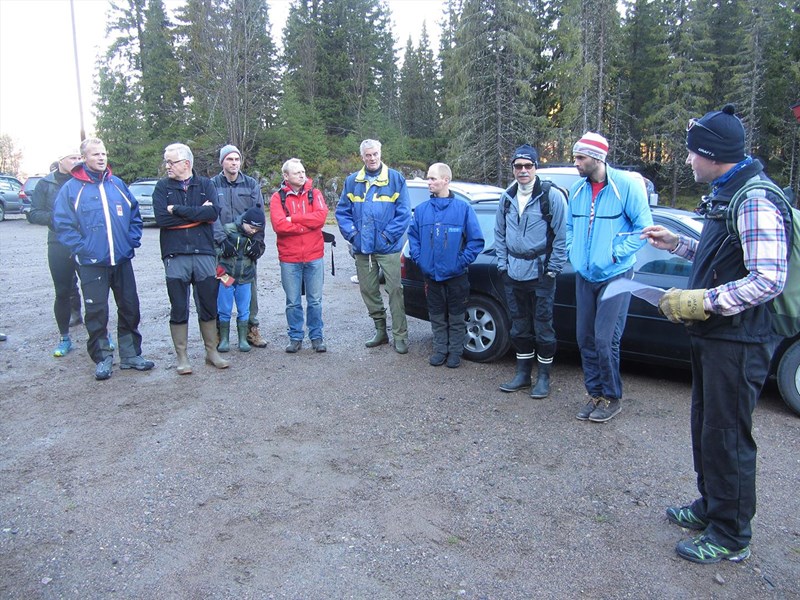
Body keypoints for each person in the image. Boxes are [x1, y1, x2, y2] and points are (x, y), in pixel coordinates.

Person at [643, 104, 788, 564]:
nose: (687, 161)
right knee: (707, 427)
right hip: (716, 336)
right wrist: (677, 243)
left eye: (691, 153)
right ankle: (711, 506)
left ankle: (731, 534)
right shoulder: (727, 192)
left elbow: (769, 278)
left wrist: (702, 302)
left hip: (740, 340)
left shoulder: (754, 198)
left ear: (713, 153)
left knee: (727, 435)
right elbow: (723, 256)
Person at [566, 132, 652, 422]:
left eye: (581, 157)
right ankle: (595, 393)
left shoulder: (625, 186)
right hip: (585, 273)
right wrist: (574, 253)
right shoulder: (577, 191)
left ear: (598, 158)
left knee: (605, 339)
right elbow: (569, 228)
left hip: (616, 274)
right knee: (584, 338)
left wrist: (615, 254)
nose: (575, 162)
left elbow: (644, 228)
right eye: (575, 156)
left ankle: (612, 396)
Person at [53, 138, 154, 381]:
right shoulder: (72, 189)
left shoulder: (117, 184)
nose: (101, 158)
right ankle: (103, 358)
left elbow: (134, 215)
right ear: (84, 158)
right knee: (97, 312)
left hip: (121, 261)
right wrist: (82, 249)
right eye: (96, 154)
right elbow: (64, 225)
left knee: (130, 307)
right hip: (91, 264)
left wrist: (130, 242)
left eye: (104, 153)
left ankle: (130, 355)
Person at [495, 144, 567, 396]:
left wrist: (552, 271)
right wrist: (502, 267)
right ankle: (523, 374)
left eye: (528, 165)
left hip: (540, 274)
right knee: (519, 326)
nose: (523, 170)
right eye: (518, 166)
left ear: (536, 167)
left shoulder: (551, 196)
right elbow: (499, 234)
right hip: (513, 274)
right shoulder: (507, 197)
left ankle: (543, 378)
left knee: (543, 327)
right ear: (513, 168)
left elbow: (561, 237)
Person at [153, 142, 228, 374]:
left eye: (171, 162)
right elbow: (162, 220)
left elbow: (213, 213)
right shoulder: (162, 188)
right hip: (175, 254)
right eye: (166, 161)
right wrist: (199, 214)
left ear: (186, 163)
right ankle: (182, 356)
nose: (167, 166)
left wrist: (176, 209)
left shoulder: (205, 184)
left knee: (208, 304)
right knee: (178, 306)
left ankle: (211, 352)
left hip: (204, 253)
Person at [335, 139, 411, 353]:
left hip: (389, 248)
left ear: (380, 153)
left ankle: (400, 335)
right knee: (368, 290)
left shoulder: (395, 179)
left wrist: (387, 236)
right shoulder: (352, 181)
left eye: (375, 153)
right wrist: (353, 236)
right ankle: (380, 330)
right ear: (362, 157)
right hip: (363, 249)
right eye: (368, 155)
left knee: (395, 290)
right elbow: (342, 212)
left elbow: (404, 213)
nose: (372, 158)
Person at [407, 162, 484, 368]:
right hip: (431, 276)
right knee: (437, 316)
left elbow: (476, 241)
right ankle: (440, 350)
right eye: (428, 178)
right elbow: (413, 237)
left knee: (457, 316)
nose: (428, 182)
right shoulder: (422, 210)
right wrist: (420, 258)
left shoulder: (463, 209)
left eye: (432, 178)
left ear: (445, 180)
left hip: (456, 276)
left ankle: (455, 352)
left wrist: (459, 263)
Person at [28, 149, 85, 357]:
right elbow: (34, 213)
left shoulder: (85, 180)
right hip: (58, 242)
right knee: (62, 292)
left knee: (93, 290)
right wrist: (58, 219)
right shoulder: (46, 183)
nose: (78, 161)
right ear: (61, 160)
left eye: (80, 158)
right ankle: (64, 337)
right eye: (73, 158)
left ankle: (101, 336)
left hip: (83, 242)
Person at [270, 158, 329, 353]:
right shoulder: (278, 198)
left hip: (314, 256)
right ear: (286, 176)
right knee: (293, 301)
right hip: (290, 258)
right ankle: (295, 337)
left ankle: (316, 337)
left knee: (315, 300)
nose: (302, 175)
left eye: (303, 172)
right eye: (297, 173)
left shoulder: (315, 193)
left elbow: (320, 218)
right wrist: (307, 226)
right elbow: (279, 226)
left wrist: (294, 219)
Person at [211, 145, 267, 349]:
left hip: (246, 248)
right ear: (222, 162)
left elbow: (259, 215)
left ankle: (251, 330)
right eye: (229, 159)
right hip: (222, 249)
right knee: (221, 290)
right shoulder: (213, 184)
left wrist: (258, 243)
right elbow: (210, 216)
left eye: (237, 159)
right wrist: (220, 240)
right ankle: (219, 333)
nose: (234, 163)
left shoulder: (251, 184)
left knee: (249, 291)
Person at [216, 206, 266, 353]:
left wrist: (258, 250)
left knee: (244, 310)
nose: (253, 231)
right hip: (226, 276)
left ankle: (243, 339)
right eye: (251, 227)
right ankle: (224, 339)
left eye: (257, 230)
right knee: (224, 309)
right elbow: (213, 250)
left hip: (245, 277)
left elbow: (260, 249)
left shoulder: (255, 235)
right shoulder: (228, 230)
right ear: (244, 221)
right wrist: (222, 251)